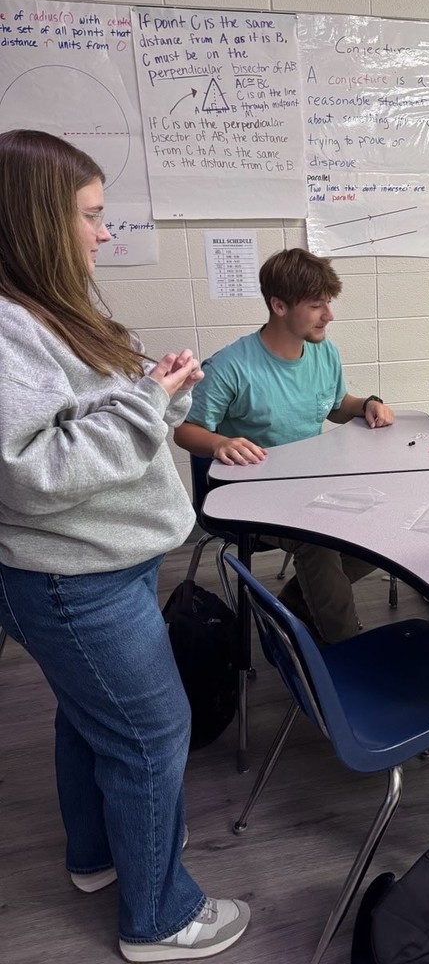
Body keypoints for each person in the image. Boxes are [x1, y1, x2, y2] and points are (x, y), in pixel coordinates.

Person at [0, 130, 250, 961]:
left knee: (92, 719)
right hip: (76, 581)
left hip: (105, 564)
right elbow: (31, 472)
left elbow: (96, 425)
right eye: (92, 216)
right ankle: (162, 919)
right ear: (37, 220)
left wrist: (161, 395)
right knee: (152, 735)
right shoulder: (7, 326)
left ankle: (99, 857)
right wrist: (148, 406)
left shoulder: (50, 307)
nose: (105, 234)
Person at [174, 247, 394, 644]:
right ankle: (344, 653)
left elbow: (336, 406)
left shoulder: (324, 351)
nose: (329, 315)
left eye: (328, 303)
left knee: (385, 517)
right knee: (320, 542)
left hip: (310, 482)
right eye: (316, 306)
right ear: (278, 305)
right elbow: (185, 430)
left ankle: (292, 603)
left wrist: (368, 405)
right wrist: (220, 442)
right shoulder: (231, 366)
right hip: (250, 493)